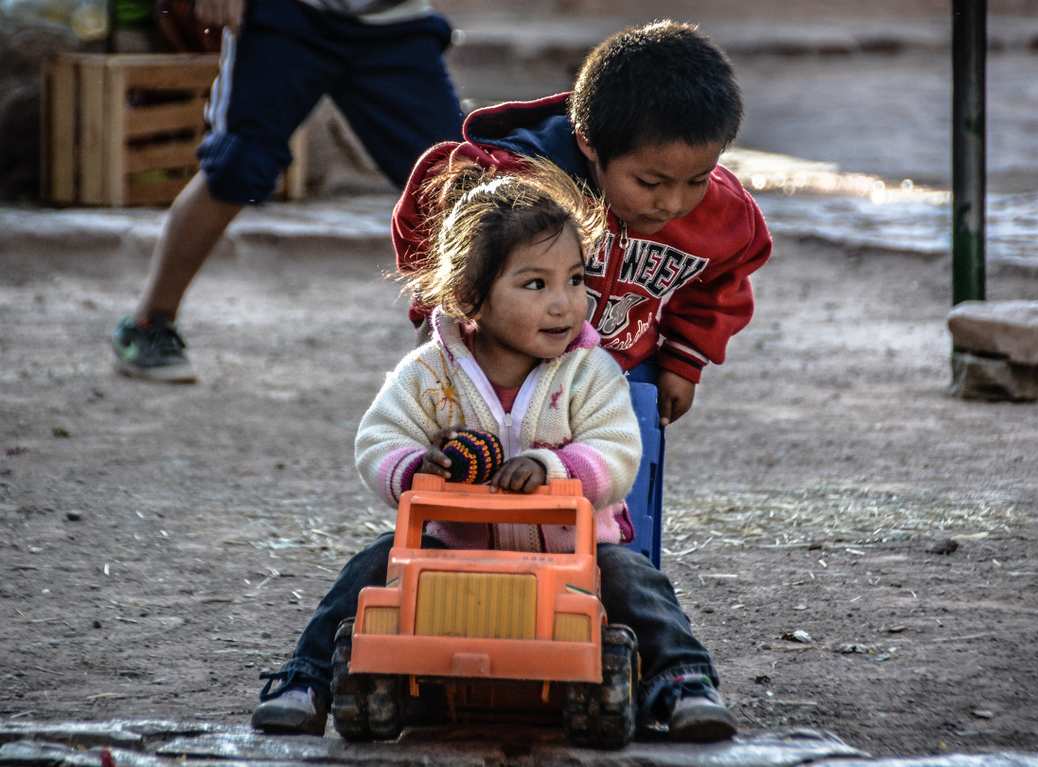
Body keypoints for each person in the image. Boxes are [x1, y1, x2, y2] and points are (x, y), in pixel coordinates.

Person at [250, 160, 738, 742]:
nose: (564, 304)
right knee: (372, 566)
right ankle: (306, 681)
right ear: (470, 297)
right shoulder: (431, 374)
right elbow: (379, 438)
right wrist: (411, 467)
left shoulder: (589, 373)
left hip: (573, 557)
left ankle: (684, 682)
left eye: (576, 280)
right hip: (453, 550)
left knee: (635, 580)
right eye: (536, 284)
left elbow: (616, 451)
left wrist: (552, 467)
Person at [394, 19, 772, 428]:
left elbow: (723, 278)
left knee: (613, 483)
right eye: (649, 182)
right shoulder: (523, 189)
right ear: (588, 142)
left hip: (622, 376)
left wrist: (684, 359)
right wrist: (440, 315)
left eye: (697, 179)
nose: (673, 203)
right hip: (502, 371)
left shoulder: (724, 213)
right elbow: (438, 207)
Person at [111, 0, 463, 383]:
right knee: (236, 163)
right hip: (286, 13)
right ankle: (150, 323)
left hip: (393, 21)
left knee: (454, 181)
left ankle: (461, 353)